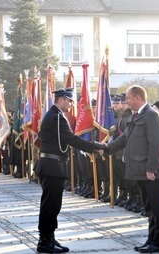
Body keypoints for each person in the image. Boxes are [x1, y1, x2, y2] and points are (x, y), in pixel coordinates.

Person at [34, 88, 106, 253]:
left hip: (53, 166)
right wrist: (96, 147)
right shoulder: (56, 117)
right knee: (50, 205)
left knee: (53, 205)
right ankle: (45, 241)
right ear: (61, 100)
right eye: (70, 101)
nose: (71, 104)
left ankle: (49, 237)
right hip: (52, 166)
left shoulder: (55, 115)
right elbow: (72, 139)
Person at [106, 85, 159, 253]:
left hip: (151, 172)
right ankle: (152, 239)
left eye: (128, 98)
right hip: (141, 171)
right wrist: (106, 148)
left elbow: (155, 145)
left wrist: (151, 169)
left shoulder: (152, 115)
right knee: (149, 208)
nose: (126, 101)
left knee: (158, 207)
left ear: (138, 98)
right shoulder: (136, 116)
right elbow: (124, 138)